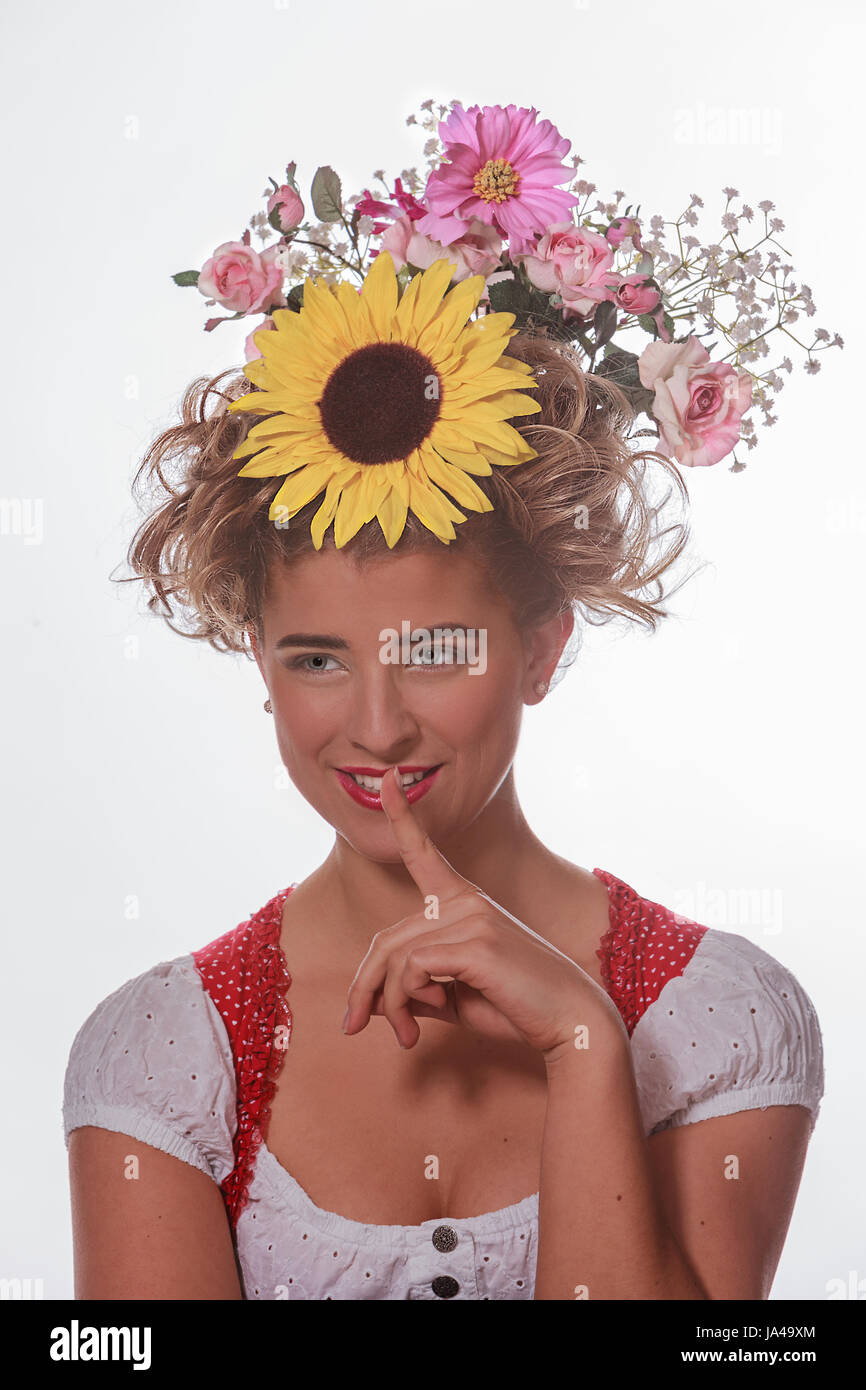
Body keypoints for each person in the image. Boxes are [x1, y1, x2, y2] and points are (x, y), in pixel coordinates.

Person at [62, 253, 824, 1301]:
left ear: (542, 651)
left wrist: (581, 1038)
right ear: (258, 663)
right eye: (317, 659)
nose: (376, 727)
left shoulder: (713, 1023)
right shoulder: (165, 1059)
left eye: (434, 652)